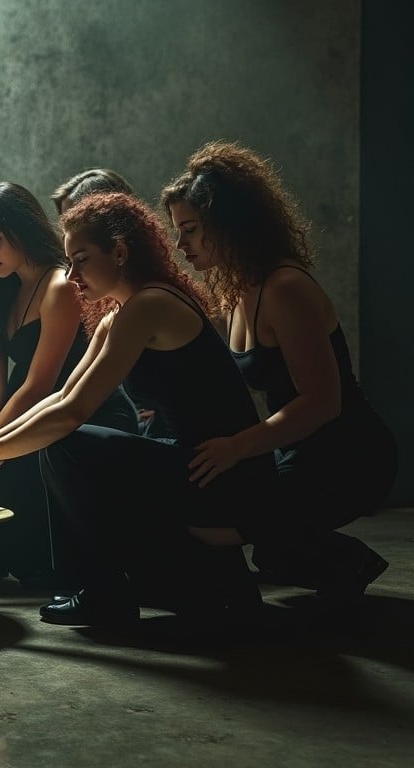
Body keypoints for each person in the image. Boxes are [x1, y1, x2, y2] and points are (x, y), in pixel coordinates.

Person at [0, 192, 278, 626]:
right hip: (193, 465)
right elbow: (59, 398)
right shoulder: (115, 316)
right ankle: (123, 585)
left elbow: (72, 413)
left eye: (81, 259)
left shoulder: (151, 304)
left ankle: (105, 594)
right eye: (68, 261)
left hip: (229, 478)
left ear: (119, 252)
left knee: (66, 445)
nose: (72, 274)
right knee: (62, 445)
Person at [161, 140, 398, 601]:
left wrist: (237, 448)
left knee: (227, 531)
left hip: (352, 454)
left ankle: (349, 560)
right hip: (297, 448)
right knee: (235, 531)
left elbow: (323, 402)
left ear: (225, 224)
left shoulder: (285, 287)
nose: (179, 244)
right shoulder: (235, 291)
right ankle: (295, 552)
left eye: (189, 229)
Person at [0, 181, 138, 587]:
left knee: (19, 526)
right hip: (27, 416)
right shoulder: (3, 292)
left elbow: (39, 385)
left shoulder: (59, 286)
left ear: (22, 230)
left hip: (78, 415)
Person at [52, 168, 170, 438]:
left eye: (78, 216)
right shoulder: (112, 308)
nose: (70, 228)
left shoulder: (149, 299)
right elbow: (67, 395)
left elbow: (72, 407)